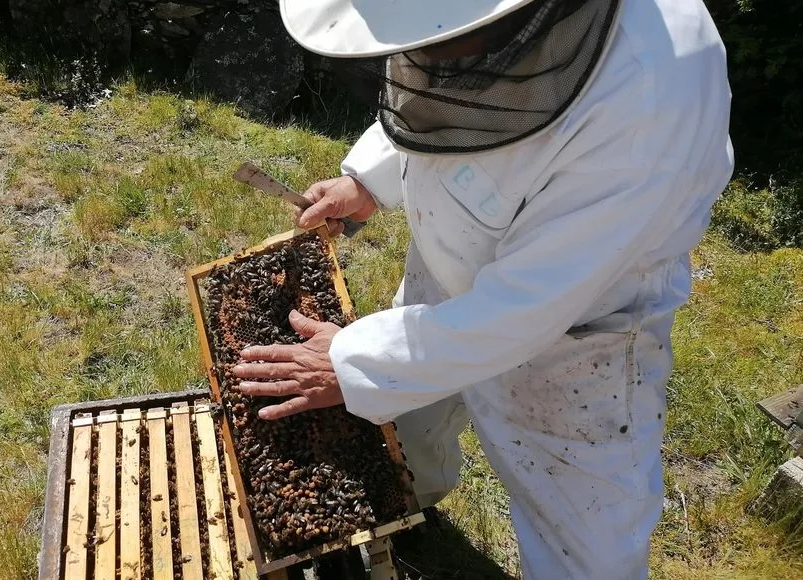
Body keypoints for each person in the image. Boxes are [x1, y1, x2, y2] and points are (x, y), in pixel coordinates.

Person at [231, 0, 734, 577]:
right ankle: (406, 510)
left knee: (585, 543)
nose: (421, 56)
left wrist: (354, 363)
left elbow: (530, 306)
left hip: (578, 336)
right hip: (455, 256)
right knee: (411, 420)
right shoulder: (476, 34)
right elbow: (451, 98)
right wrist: (367, 178)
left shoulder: (649, 95)